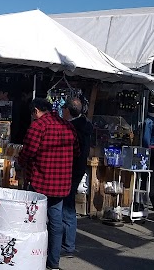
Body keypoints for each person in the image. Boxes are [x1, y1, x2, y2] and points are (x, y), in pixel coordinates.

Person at [18, 98, 78, 270]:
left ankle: (32, 258)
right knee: (56, 223)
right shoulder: (68, 126)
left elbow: (28, 152)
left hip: (40, 182)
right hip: (61, 184)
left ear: (36, 111)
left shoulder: (38, 126)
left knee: (33, 222)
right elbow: (77, 151)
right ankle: (53, 262)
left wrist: (20, 161)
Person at [60, 97, 92, 258]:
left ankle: (67, 245)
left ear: (67, 110)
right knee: (67, 205)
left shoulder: (73, 128)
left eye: (63, 108)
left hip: (70, 170)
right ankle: (67, 243)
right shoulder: (85, 125)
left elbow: (73, 151)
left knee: (66, 207)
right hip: (76, 170)